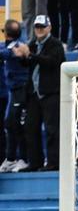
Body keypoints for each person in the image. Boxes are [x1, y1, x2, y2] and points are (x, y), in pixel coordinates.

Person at [12, 15, 64, 172]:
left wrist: (30, 55)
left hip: (51, 92)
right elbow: (28, 63)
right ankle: (35, 162)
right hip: (34, 93)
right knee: (30, 127)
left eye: (42, 26)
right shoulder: (33, 44)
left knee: (52, 129)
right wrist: (22, 56)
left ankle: (54, 162)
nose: (39, 30)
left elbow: (51, 62)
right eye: (37, 27)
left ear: (49, 27)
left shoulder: (56, 44)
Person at [0, 20, 30, 173]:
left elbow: (6, 53)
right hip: (14, 91)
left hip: (21, 90)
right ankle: (11, 158)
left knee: (17, 123)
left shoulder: (17, 45)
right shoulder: (14, 45)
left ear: (6, 33)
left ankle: (23, 158)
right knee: (10, 122)